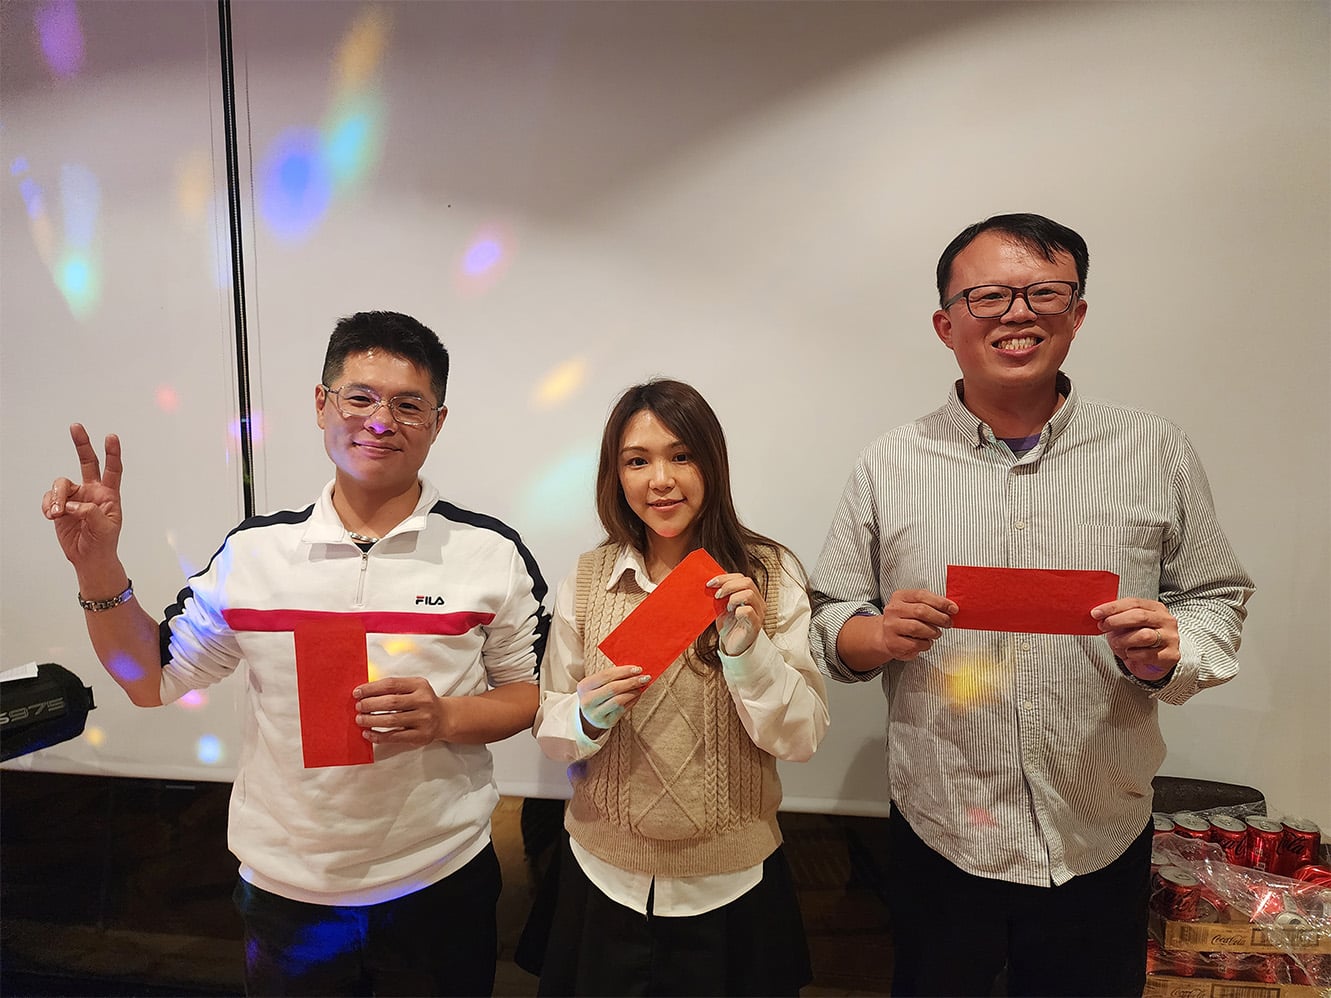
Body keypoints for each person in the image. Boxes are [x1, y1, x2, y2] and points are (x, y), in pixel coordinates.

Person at [808, 214, 1254, 997]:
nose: (1017, 314)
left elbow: (1215, 595)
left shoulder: (1153, 449)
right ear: (947, 324)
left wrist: (1171, 645)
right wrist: (871, 634)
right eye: (987, 297)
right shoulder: (889, 462)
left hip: (1098, 823)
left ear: (1075, 313)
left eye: (1042, 293)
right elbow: (826, 614)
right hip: (941, 823)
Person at [42, 310, 550, 997]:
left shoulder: (489, 553)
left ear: (438, 420)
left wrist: (446, 718)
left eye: (408, 405)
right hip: (289, 890)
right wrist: (97, 565)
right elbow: (148, 680)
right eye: (359, 397)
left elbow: (528, 694)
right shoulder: (254, 554)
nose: (381, 420)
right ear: (321, 404)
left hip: (439, 878)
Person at [528, 378, 829, 997]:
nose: (659, 480)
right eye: (637, 461)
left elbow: (801, 738)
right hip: (602, 880)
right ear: (616, 475)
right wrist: (583, 715)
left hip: (734, 884)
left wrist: (748, 650)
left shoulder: (769, 575)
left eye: (680, 455)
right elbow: (551, 730)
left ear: (711, 463)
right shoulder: (588, 580)